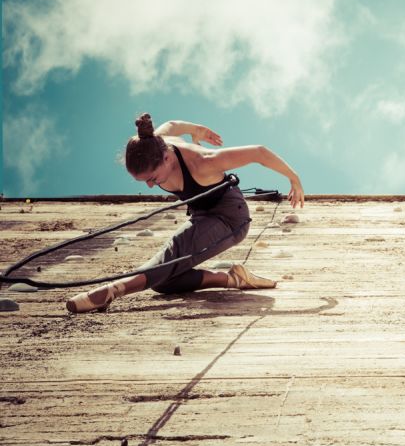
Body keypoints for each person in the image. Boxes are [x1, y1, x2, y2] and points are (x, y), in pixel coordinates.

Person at [66, 113, 305, 313]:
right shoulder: (155, 141)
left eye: (152, 178)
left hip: (231, 219)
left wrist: (294, 179)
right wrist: (197, 129)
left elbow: (259, 152)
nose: (150, 185)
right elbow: (172, 125)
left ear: (168, 157)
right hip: (201, 216)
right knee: (162, 282)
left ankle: (114, 290)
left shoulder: (204, 162)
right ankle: (232, 278)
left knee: (173, 253)